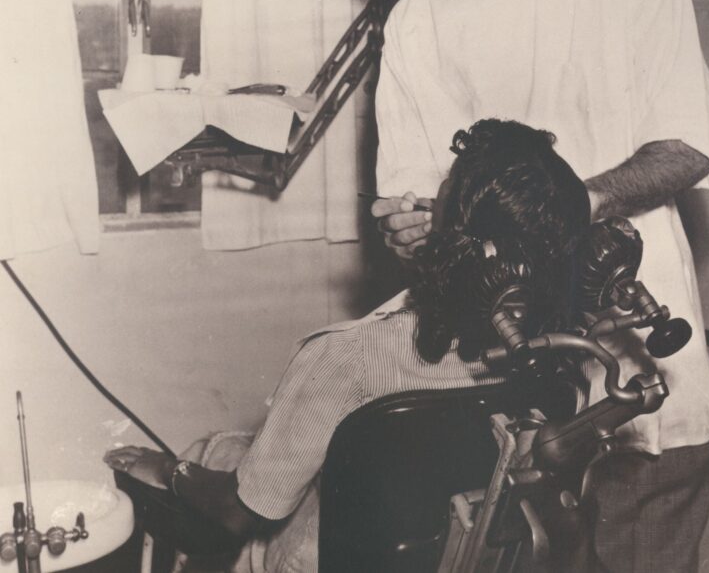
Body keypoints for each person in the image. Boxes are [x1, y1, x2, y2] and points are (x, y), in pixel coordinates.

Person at [327, 0, 709, 571]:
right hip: (513, 397)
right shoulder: (416, 24)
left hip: (639, 378)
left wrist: (572, 202)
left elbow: (691, 145)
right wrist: (410, 230)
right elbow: (415, 205)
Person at [103, 118, 592, 573]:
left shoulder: (349, 358)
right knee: (231, 446)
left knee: (209, 455)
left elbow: (240, 512)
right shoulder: (563, 354)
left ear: (449, 239)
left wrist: (171, 470)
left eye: (442, 194)